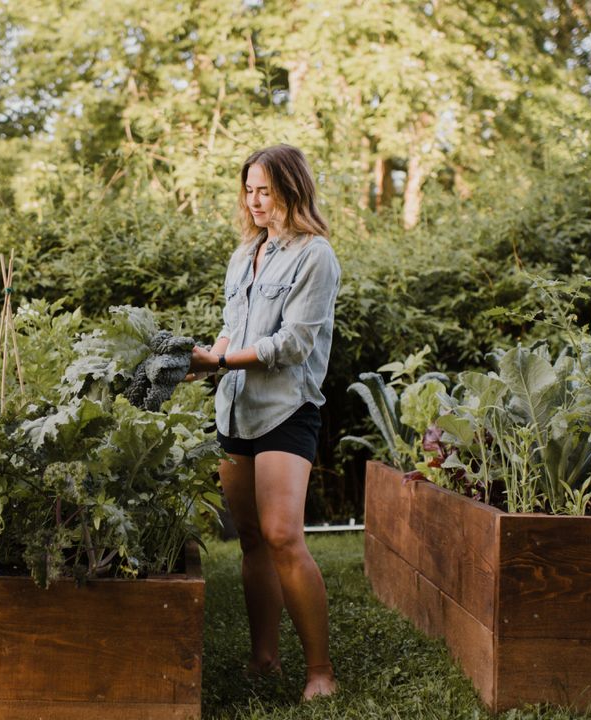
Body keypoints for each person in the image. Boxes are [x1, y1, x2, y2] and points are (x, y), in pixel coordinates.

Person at [186, 144, 340, 700]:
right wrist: (205, 360)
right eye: (248, 189)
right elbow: (234, 327)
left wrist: (221, 359)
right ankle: (264, 657)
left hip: (285, 410)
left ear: (291, 191)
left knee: (282, 536)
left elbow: (293, 343)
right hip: (234, 407)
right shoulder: (243, 254)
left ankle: (320, 670)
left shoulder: (315, 256)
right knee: (250, 538)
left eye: (264, 191)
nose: (253, 201)